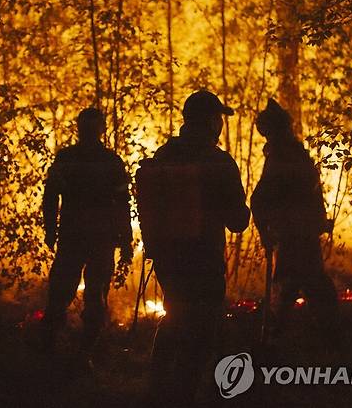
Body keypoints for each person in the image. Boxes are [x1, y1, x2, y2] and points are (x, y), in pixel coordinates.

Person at [136, 90, 250, 406]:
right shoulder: (218, 162)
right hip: (204, 260)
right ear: (211, 121)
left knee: (174, 316)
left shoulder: (163, 156)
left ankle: (156, 388)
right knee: (201, 328)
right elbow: (238, 221)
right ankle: (183, 395)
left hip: (168, 260)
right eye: (218, 118)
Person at [42, 107, 133, 361]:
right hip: (95, 238)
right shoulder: (110, 161)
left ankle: (61, 349)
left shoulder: (69, 158)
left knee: (68, 293)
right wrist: (125, 240)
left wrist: (50, 230)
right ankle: (81, 352)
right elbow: (123, 203)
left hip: (80, 236)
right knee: (88, 295)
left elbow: (51, 197)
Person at [251, 98, 339, 343]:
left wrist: (265, 229)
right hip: (299, 231)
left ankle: (277, 338)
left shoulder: (284, 155)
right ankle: (319, 337)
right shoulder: (293, 153)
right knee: (307, 283)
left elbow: (262, 198)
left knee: (295, 284)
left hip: (294, 233)